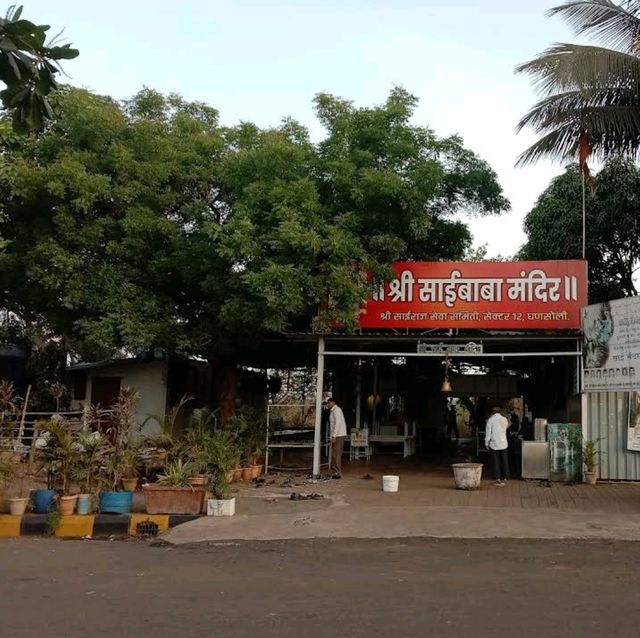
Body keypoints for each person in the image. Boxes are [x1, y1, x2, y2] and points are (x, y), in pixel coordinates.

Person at [485, 406, 509, 486]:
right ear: (500, 411)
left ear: (493, 412)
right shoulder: (504, 419)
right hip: (503, 443)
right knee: (504, 460)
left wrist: (486, 443)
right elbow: (506, 428)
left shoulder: (490, 420)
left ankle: (497, 478)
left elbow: (488, 433)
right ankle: (505, 477)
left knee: (496, 461)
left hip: (494, 444)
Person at [327, 397, 347, 478]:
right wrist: (331, 436)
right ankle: (334, 471)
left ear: (333, 402)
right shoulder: (333, 411)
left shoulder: (337, 410)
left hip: (339, 434)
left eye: (328, 403)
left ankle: (338, 472)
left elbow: (337, 423)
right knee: (333, 453)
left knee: (336, 454)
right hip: (335, 435)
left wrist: (334, 435)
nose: (327, 405)